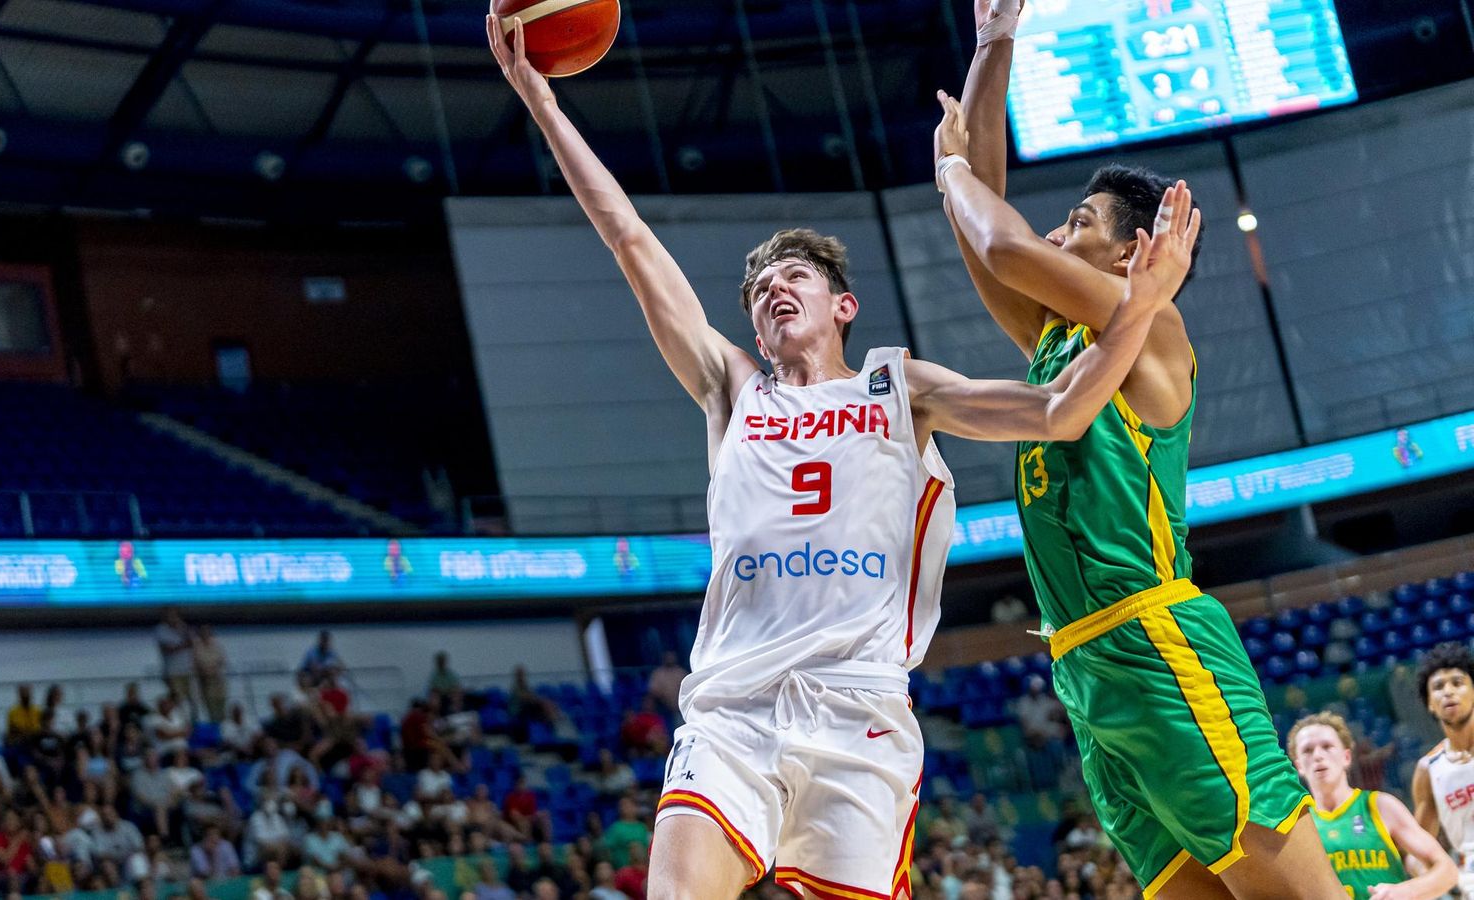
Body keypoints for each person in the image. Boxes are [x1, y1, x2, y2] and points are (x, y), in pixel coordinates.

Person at [488, 11, 1195, 897]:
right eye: (759, 289)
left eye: (795, 277)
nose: (774, 289)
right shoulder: (731, 388)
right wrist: (543, 103)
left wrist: (1142, 305)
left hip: (858, 705)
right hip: (734, 706)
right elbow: (628, 236)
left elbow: (1060, 411)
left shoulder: (902, 388)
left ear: (843, 307)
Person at [938, 3, 1332, 896]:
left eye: (1077, 222)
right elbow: (987, 237)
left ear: (1132, 254)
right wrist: (994, 44)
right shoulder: (1063, 345)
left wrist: (949, 167)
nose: (1054, 234)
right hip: (1085, 669)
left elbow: (1000, 238)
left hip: (1158, 644)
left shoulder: (1149, 328)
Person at [1289, 712, 1455, 899]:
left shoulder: (1380, 806)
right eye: (1308, 750)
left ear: (1346, 757)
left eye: (1327, 746)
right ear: (1298, 766)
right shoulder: (1299, 826)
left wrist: (1405, 891)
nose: (1318, 755)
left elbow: (1447, 871)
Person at [1411, 643, 1474, 894]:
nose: (1448, 691)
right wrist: (1445, 884)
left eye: (1457, 683)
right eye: (1438, 687)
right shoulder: (1428, 770)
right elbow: (1417, 853)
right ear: (1429, 703)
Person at [155, 608, 195, 714]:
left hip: (187, 670)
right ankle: (179, 718)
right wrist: (184, 645)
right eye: (170, 616)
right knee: (178, 698)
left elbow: (192, 642)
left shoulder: (183, 628)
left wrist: (181, 630)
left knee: (192, 698)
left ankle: (193, 719)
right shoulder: (161, 630)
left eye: (175, 616)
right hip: (173, 672)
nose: (173, 618)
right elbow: (168, 649)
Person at [192, 624, 230, 723]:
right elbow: (196, 663)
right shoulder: (196, 647)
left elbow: (222, 660)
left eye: (207, 632)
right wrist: (205, 670)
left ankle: (223, 724)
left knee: (221, 702)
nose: (205, 635)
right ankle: (214, 723)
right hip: (205, 681)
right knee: (210, 706)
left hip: (217, 679)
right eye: (203, 633)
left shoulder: (217, 645)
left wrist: (213, 668)